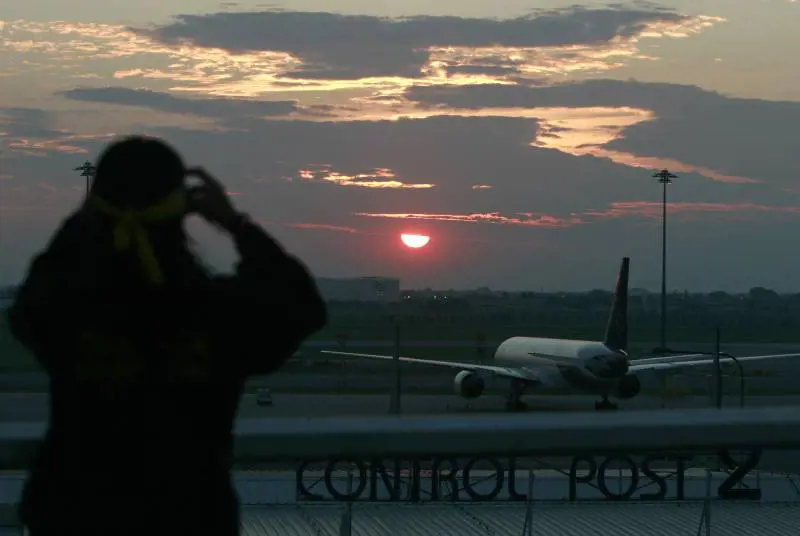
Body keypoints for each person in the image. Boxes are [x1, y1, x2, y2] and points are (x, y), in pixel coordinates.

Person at [7, 135, 328, 535]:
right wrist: (235, 223)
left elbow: (28, 308)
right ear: (184, 211)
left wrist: (86, 219)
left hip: (76, 516)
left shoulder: (73, 307)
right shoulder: (217, 312)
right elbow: (301, 304)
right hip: (190, 516)